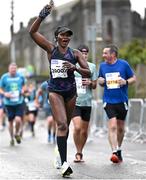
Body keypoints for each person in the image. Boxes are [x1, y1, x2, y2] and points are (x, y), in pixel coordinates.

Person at [29, 0, 91, 177]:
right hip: (55, 90)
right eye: (62, 35)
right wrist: (42, 15)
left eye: (68, 36)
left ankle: (59, 151)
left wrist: (76, 68)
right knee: (62, 123)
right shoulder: (50, 49)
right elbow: (32, 32)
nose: (66, 38)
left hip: (71, 92)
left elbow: (88, 73)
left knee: (66, 126)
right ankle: (64, 164)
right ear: (57, 37)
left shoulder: (76, 54)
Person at [98, 44, 136, 163]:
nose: (103, 55)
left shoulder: (123, 64)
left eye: (105, 53)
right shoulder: (102, 66)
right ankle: (114, 152)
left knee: (120, 128)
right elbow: (99, 79)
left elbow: (133, 78)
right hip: (108, 100)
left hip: (122, 100)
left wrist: (125, 81)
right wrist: (100, 81)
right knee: (113, 126)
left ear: (113, 54)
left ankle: (119, 149)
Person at [72, 45, 97, 162]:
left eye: (86, 54)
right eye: (82, 54)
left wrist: (90, 82)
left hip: (87, 102)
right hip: (75, 101)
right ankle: (77, 151)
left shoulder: (92, 67)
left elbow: (95, 85)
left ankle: (80, 152)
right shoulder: (73, 66)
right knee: (77, 127)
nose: (85, 56)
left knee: (84, 131)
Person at [0, 63, 26, 146]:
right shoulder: (4, 77)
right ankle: (11, 138)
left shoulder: (20, 76)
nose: (13, 70)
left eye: (15, 69)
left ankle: (16, 133)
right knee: (10, 121)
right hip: (8, 103)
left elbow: (24, 86)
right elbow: (0, 88)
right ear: (9, 69)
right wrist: (5, 94)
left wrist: (22, 90)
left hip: (19, 101)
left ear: (16, 69)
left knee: (18, 119)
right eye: (12, 69)